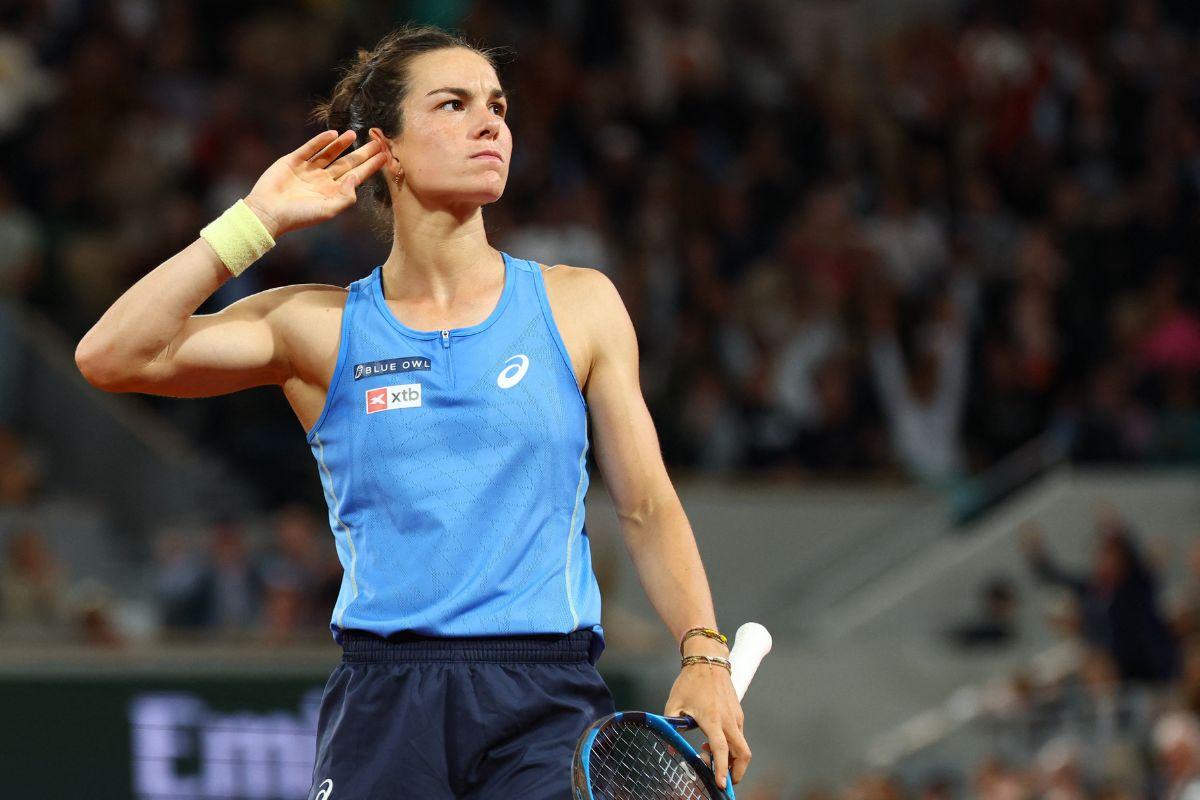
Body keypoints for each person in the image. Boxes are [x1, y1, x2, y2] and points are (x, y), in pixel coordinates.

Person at [74, 24, 749, 798]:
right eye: (453, 104)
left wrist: (704, 654)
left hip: (545, 698)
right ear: (383, 148)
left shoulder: (579, 304)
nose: (491, 122)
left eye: (496, 105)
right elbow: (111, 356)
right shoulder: (318, 327)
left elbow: (646, 505)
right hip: (384, 699)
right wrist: (255, 221)